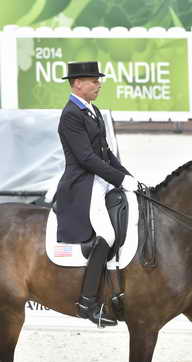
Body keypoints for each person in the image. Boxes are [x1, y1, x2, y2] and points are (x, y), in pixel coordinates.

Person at [55, 61, 138, 327]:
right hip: (82, 184)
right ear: (77, 83)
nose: (98, 84)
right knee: (108, 234)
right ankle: (87, 303)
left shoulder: (93, 110)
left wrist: (128, 176)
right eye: (93, 81)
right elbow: (87, 158)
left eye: (98, 80)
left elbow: (105, 152)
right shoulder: (71, 115)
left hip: (100, 181)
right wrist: (119, 179)